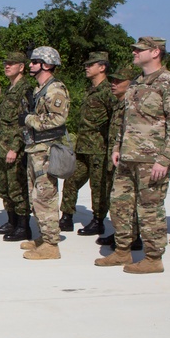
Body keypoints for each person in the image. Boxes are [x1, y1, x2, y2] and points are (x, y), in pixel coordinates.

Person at [95, 37, 170, 274]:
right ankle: (122, 250)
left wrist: (165, 158)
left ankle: (153, 257)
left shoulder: (167, 81)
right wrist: (118, 146)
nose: (134, 52)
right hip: (128, 156)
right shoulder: (137, 82)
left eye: (140, 50)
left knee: (150, 209)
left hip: (152, 159)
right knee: (120, 205)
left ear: (156, 52)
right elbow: (125, 119)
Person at [20, 46, 70, 260]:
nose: (30, 65)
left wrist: (28, 119)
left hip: (47, 149)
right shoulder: (40, 89)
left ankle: (51, 244)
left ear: (47, 65)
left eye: (35, 61)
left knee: (45, 196)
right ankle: (44, 236)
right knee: (36, 196)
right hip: (36, 148)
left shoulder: (54, 90)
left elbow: (58, 119)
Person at [59, 52, 116, 235]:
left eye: (91, 64)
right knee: (71, 179)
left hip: (99, 149)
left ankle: (98, 220)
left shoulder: (109, 91)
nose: (86, 67)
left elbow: (114, 120)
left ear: (102, 67)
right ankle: (66, 216)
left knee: (99, 187)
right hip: (83, 146)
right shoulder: (90, 90)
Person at [96, 65, 143, 251]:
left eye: (118, 81)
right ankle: (122, 234)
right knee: (117, 201)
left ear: (130, 84)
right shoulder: (118, 104)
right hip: (115, 157)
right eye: (112, 80)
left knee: (128, 200)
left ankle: (134, 236)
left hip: (128, 158)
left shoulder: (132, 105)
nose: (113, 84)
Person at [0, 51, 33, 241]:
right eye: (5, 63)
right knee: (2, 186)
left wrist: (15, 148)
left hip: (12, 149)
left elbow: (24, 123)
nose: (7, 66)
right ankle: (12, 221)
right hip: (1, 146)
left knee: (17, 188)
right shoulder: (11, 89)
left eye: (12, 63)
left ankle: (23, 227)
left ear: (21, 67)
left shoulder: (24, 89)